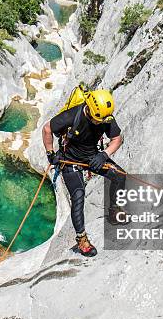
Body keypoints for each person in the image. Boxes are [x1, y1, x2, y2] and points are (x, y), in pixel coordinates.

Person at [42, 89, 126, 257]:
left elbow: (117, 139)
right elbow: (47, 129)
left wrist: (104, 155)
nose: (101, 122)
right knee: (78, 195)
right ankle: (81, 239)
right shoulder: (72, 116)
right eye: (98, 119)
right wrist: (51, 154)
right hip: (70, 160)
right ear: (89, 109)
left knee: (120, 176)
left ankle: (114, 209)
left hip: (93, 157)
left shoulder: (104, 115)